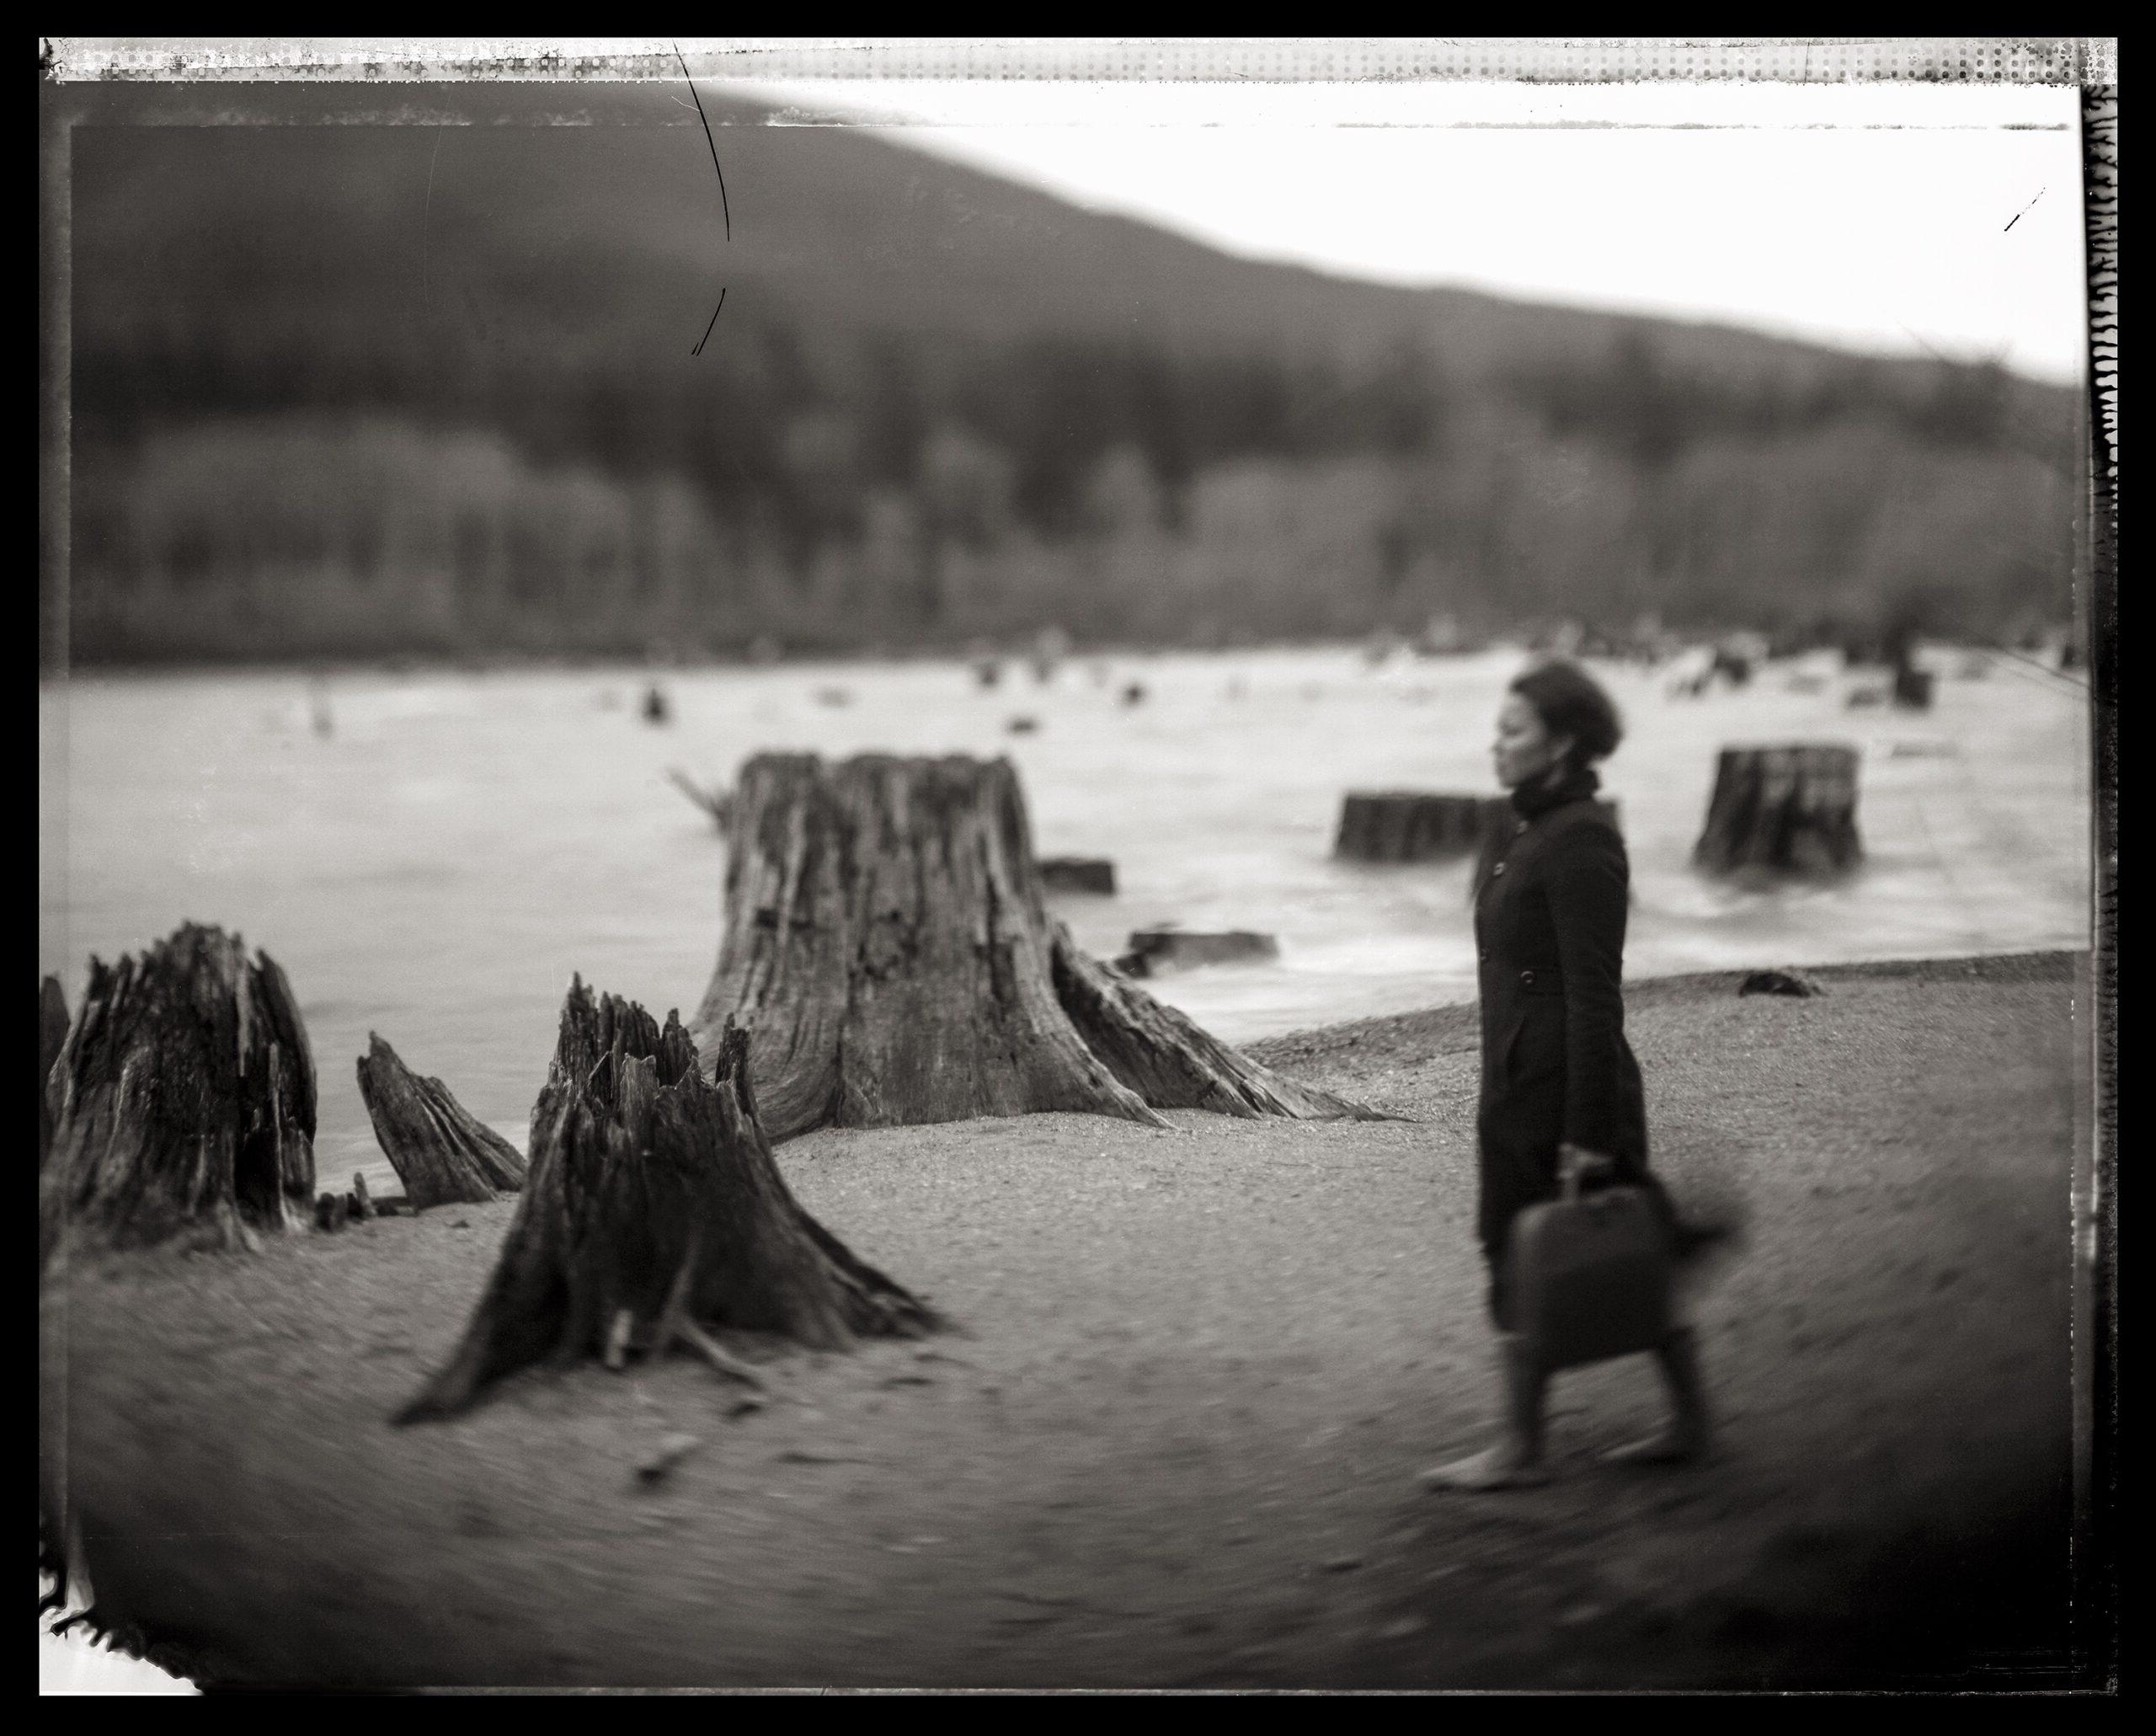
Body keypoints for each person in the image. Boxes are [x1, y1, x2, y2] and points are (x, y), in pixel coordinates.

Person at [1422, 659, 1711, 1492]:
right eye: (1498, 728)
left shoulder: (1583, 839)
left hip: (1564, 1091)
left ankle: (1524, 1449)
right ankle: (1671, 1426)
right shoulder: (1527, 829)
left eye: (1512, 731)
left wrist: (1588, 1132)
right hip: (1516, 1081)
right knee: (1552, 1246)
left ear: (1563, 741)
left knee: (1580, 1246)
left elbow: (1594, 996)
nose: (1495, 744)